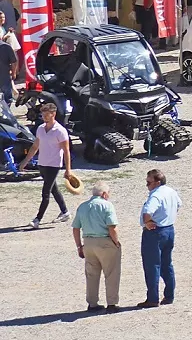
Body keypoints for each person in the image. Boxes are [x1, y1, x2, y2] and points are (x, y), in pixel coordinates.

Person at [73, 181, 122, 311]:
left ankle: (92, 303)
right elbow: (112, 227)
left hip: (88, 242)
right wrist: (116, 242)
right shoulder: (107, 205)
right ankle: (111, 303)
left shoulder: (82, 206)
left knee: (91, 274)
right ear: (104, 194)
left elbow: (76, 228)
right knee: (111, 273)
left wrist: (79, 246)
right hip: (105, 241)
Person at [24, 99, 72, 228]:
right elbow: (35, 146)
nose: (44, 117)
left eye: (46, 114)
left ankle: (37, 219)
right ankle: (65, 212)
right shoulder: (40, 129)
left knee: (46, 192)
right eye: (43, 114)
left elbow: (66, 151)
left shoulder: (60, 131)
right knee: (54, 189)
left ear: (53, 114)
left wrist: (68, 170)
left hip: (54, 165)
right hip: (42, 163)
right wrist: (25, 161)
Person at [138, 168, 181, 308]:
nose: (147, 185)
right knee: (166, 264)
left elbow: (147, 212)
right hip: (169, 229)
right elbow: (179, 205)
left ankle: (152, 298)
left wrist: (148, 222)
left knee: (152, 266)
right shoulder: (171, 191)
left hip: (155, 233)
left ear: (157, 182)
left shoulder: (156, 195)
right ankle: (169, 296)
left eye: (149, 182)